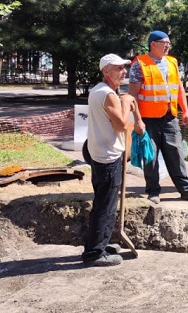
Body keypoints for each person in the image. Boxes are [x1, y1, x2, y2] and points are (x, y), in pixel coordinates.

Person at [128, 30, 188, 204]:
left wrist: (185, 111)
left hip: (170, 117)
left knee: (175, 153)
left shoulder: (172, 62)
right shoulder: (139, 64)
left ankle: (186, 190)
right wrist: (137, 120)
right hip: (148, 119)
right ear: (153, 44)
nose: (168, 45)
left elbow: (178, 88)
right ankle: (153, 191)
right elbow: (133, 95)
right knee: (151, 156)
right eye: (164, 42)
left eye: (169, 42)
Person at [82, 54, 141, 267]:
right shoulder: (108, 95)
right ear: (106, 71)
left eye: (124, 68)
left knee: (103, 202)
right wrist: (125, 102)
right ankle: (94, 254)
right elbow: (121, 124)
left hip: (99, 154)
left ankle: (100, 243)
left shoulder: (97, 90)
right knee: (105, 206)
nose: (123, 72)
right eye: (118, 68)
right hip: (108, 158)